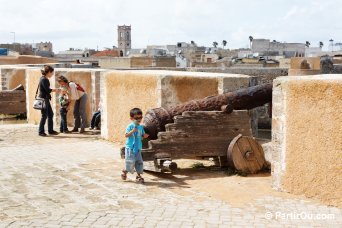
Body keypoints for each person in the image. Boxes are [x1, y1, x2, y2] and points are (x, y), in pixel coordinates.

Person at [121, 108, 149, 183]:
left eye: (140, 117)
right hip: (130, 148)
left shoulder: (141, 127)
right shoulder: (130, 126)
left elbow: (142, 135)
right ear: (131, 118)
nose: (139, 119)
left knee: (139, 162)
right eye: (136, 118)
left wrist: (144, 136)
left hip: (138, 148)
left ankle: (138, 176)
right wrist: (132, 131)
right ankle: (125, 170)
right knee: (130, 162)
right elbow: (126, 135)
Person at [38, 65, 60, 136]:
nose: (53, 74)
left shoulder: (43, 78)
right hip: (44, 99)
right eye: (52, 72)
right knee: (44, 116)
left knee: (50, 114)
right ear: (49, 72)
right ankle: (41, 132)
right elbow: (47, 90)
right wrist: (55, 90)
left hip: (45, 99)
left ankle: (50, 130)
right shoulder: (44, 79)